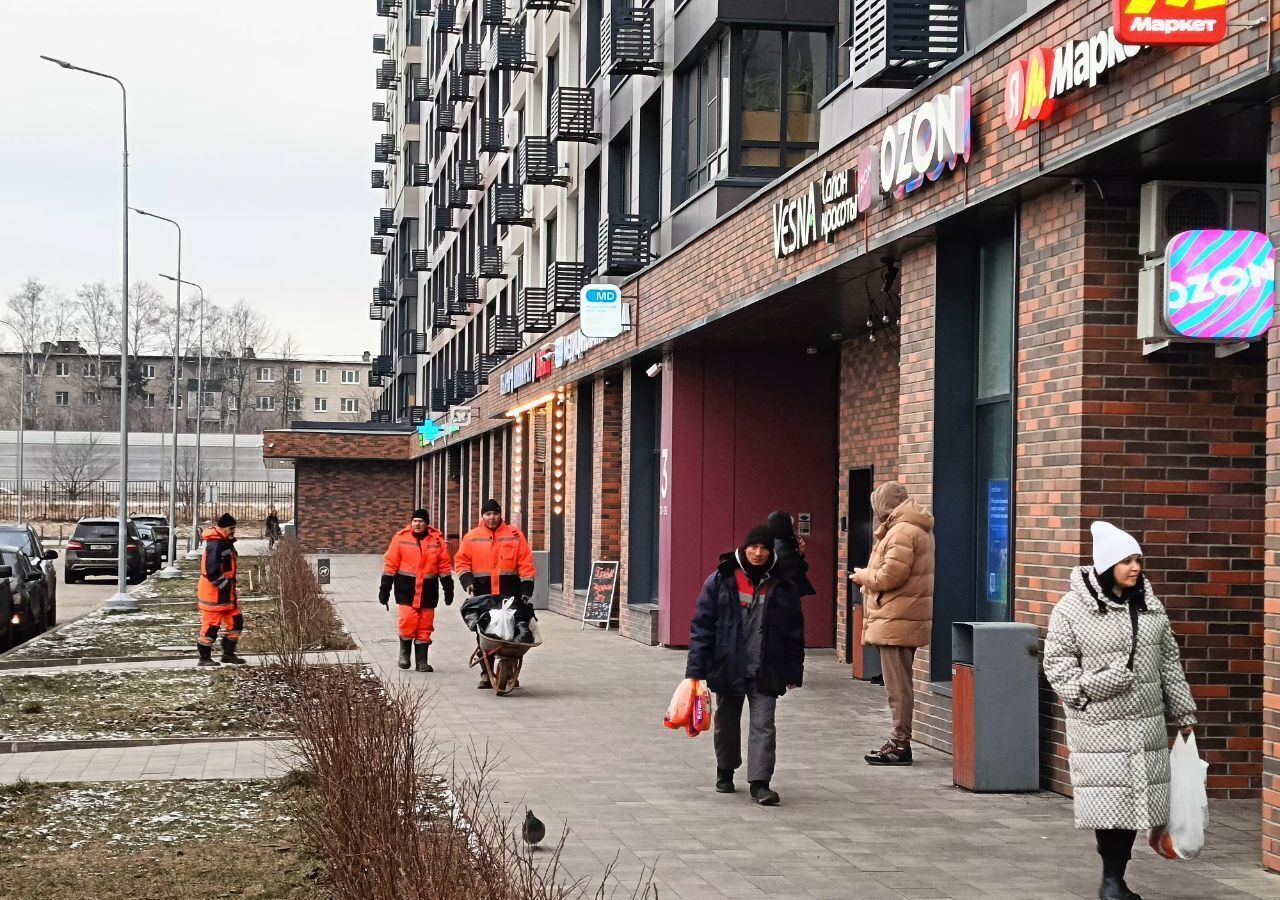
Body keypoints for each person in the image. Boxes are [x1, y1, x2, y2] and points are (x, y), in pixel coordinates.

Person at [1043, 522, 1196, 900]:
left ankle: (1117, 879)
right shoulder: (1071, 609)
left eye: (1138, 560)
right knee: (1110, 805)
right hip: (1099, 726)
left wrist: (1184, 712)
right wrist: (1100, 684)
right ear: (1107, 564)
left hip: (1145, 725)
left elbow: (1168, 663)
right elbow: (1058, 667)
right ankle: (1111, 881)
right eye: (1127, 560)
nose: (1135, 568)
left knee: (1135, 806)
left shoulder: (1150, 606)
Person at [685, 524, 805, 806]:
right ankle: (725, 770)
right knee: (726, 722)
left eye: (763, 548)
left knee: (764, 724)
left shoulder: (783, 583)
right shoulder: (721, 579)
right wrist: (695, 671)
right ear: (744, 548)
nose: (758, 552)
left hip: (768, 667)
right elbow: (702, 626)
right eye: (753, 547)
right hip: (729, 665)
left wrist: (793, 670)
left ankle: (760, 783)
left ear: (770, 551)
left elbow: (794, 631)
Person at [851, 481, 934, 766]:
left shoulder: (902, 531)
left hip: (897, 618)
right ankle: (899, 740)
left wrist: (863, 576)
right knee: (899, 683)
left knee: (897, 686)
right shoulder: (912, 528)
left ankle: (900, 744)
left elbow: (890, 576)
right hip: (902, 616)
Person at [454, 498, 536, 688]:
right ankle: (486, 672)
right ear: (482, 516)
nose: (492, 517)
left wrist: (526, 588)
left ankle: (508, 669)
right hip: (484, 593)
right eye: (488, 514)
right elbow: (462, 561)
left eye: (495, 513)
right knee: (485, 631)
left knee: (513, 631)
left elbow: (525, 562)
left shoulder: (515, 536)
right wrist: (467, 582)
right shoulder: (472, 536)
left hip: (510, 591)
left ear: (501, 515)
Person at [379, 508, 454, 672]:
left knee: (425, 625)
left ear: (427, 523)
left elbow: (443, 565)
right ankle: (404, 654)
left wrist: (448, 587)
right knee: (407, 620)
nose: (417, 524)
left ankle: (422, 662)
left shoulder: (437, 540)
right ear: (411, 522)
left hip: (428, 589)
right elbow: (390, 564)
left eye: (420, 521)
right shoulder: (400, 539)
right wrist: (385, 588)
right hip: (406, 588)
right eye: (415, 521)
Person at [197, 513, 244, 667]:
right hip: (214, 594)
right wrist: (225, 585)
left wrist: (228, 587)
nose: (233, 532)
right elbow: (212, 571)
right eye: (231, 529)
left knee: (236, 622)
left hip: (226, 594)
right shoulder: (215, 544)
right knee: (211, 627)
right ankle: (204, 658)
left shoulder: (224, 542)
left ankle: (228, 654)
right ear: (223, 529)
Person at [767, 510, 815, 597]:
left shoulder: (772, 542)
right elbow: (799, 567)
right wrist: (799, 554)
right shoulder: (782, 545)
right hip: (784, 594)